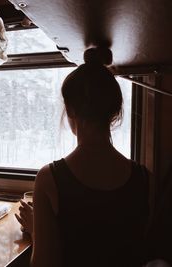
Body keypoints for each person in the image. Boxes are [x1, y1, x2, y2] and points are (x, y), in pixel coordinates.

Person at [16, 47, 153, 267]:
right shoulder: (146, 179)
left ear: (70, 110)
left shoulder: (49, 179)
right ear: (115, 112)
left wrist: (37, 232)